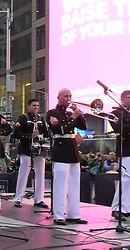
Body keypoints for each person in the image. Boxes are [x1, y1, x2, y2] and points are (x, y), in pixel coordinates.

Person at [46, 88, 88, 225]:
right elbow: (59, 129)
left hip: (72, 148)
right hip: (61, 148)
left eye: (70, 95)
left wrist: (78, 115)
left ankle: (74, 214)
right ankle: (58, 215)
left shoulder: (70, 113)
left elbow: (83, 126)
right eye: (65, 96)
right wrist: (73, 117)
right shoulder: (52, 113)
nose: (68, 98)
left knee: (75, 184)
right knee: (60, 184)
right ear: (58, 97)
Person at [12, 99, 50, 208]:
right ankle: (18, 198)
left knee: (40, 173)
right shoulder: (23, 118)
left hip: (39, 148)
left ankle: (39, 199)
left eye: (38, 105)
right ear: (29, 106)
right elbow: (16, 133)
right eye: (34, 105)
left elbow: (46, 133)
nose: (36, 107)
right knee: (23, 172)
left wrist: (45, 137)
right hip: (26, 148)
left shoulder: (41, 118)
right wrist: (30, 136)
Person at [110, 90, 130, 221]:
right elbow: (120, 128)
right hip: (126, 148)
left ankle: (129, 207)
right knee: (126, 179)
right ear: (123, 99)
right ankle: (117, 208)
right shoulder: (116, 113)